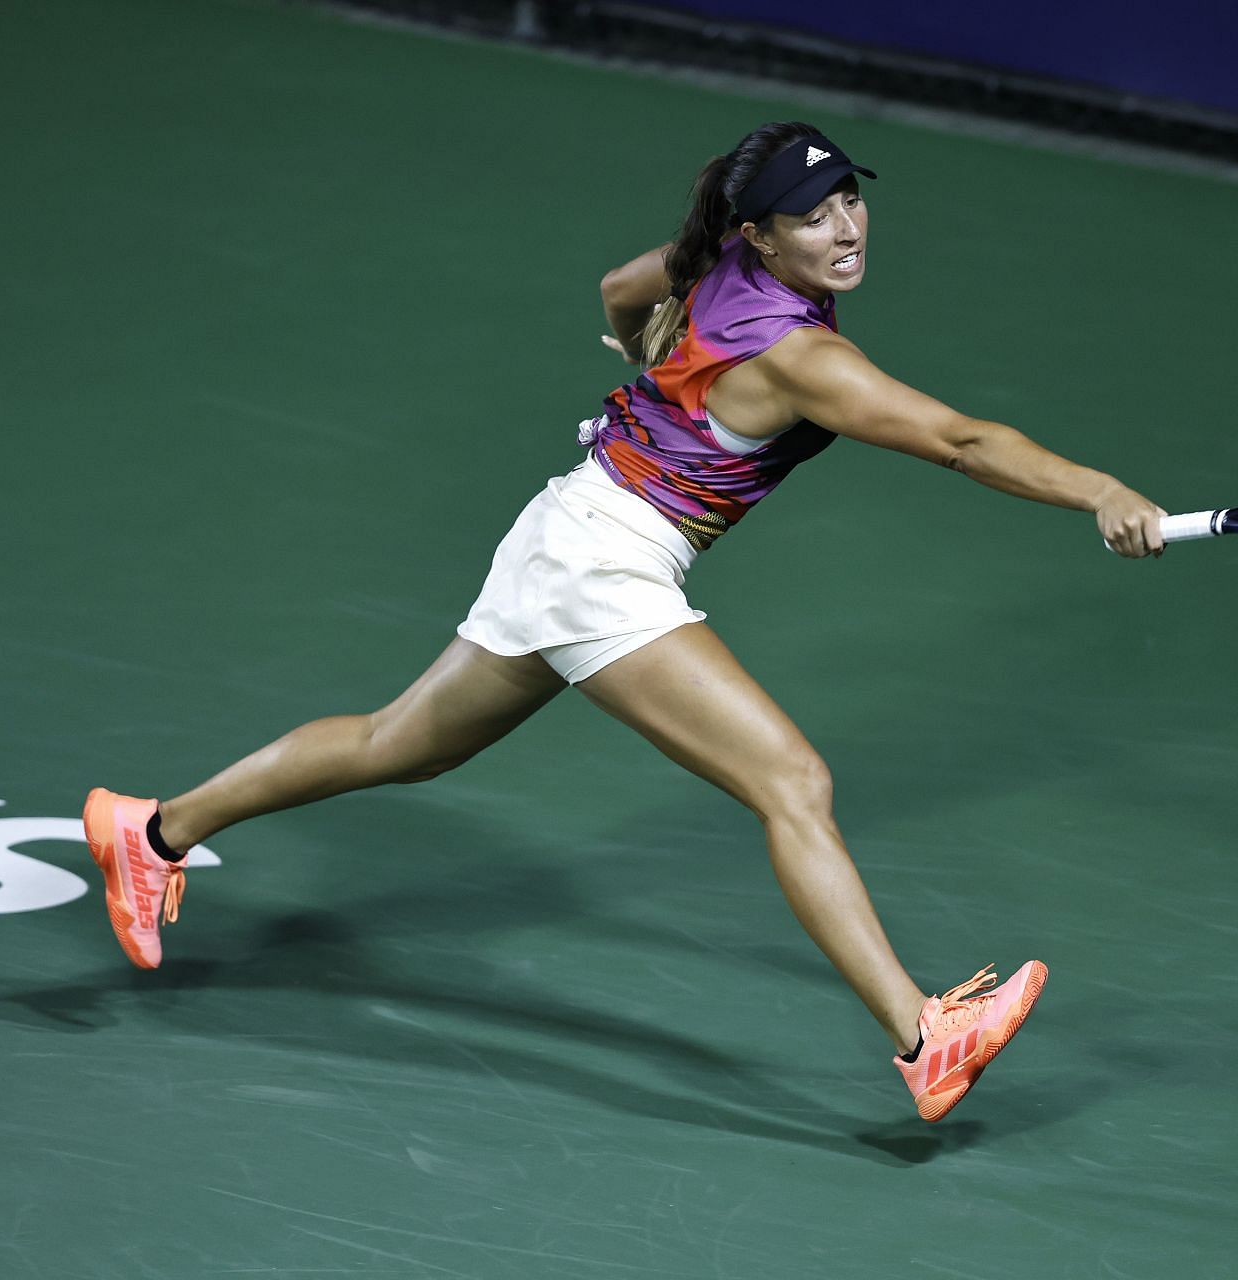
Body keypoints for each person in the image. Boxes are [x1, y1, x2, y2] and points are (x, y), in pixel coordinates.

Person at [83, 121, 1165, 1123]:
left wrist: (648, 355)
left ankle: (151, 829)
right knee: (791, 781)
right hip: (604, 561)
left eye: (849, 199)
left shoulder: (710, 261)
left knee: (394, 744)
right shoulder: (803, 357)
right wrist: (1099, 489)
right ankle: (927, 1033)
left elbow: (620, 288)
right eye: (813, 214)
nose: (844, 227)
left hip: (570, 521)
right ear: (761, 235)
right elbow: (961, 442)